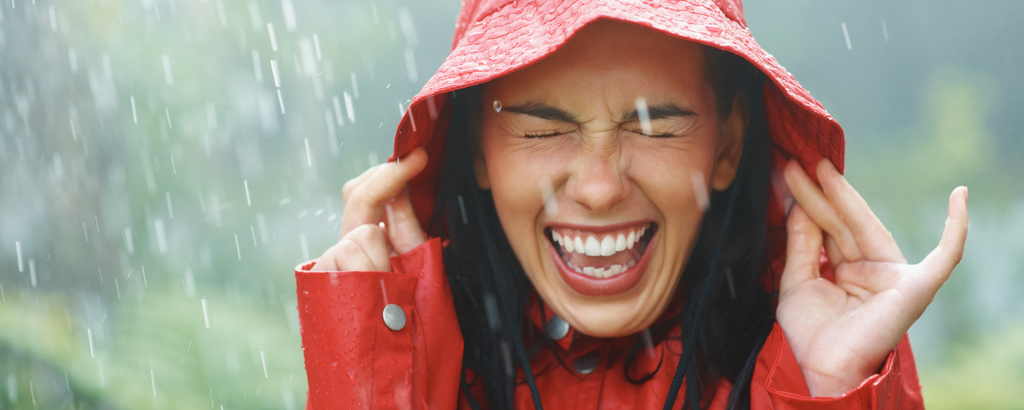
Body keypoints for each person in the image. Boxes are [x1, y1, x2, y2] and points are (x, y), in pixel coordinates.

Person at [295, 0, 969, 409]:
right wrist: (376, 378)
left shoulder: (812, 363)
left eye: (653, 126)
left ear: (727, 145)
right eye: (542, 127)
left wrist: (830, 391)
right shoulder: (408, 357)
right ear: (476, 151)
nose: (597, 185)